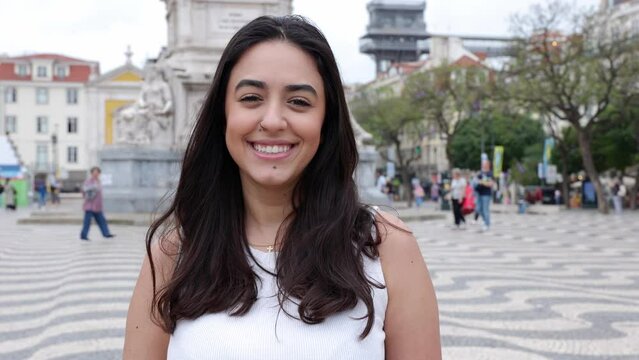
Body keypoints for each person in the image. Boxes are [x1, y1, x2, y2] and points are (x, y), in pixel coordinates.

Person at [123, 16, 441, 360]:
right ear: (222, 114)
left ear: (327, 120)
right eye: (251, 98)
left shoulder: (386, 247)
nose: (273, 120)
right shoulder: (174, 253)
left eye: (299, 102)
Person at [80, 166, 115, 241]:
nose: (96, 174)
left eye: (97, 172)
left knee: (102, 220)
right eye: (94, 172)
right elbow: (84, 190)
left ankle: (106, 233)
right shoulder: (89, 181)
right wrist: (94, 187)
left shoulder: (99, 181)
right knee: (87, 222)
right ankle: (83, 235)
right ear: (92, 173)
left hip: (98, 206)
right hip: (90, 206)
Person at [475, 160, 494, 231]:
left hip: (486, 194)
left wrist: (482, 182)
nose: (483, 165)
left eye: (484, 164)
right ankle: (484, 221)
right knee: (479, 209)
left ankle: (487, 224)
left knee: (485, 209)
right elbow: (476, 180)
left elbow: (490, 184)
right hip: (479, 193)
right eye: (483, 164)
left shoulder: (490, 174)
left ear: (488, 165)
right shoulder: (481, 173)